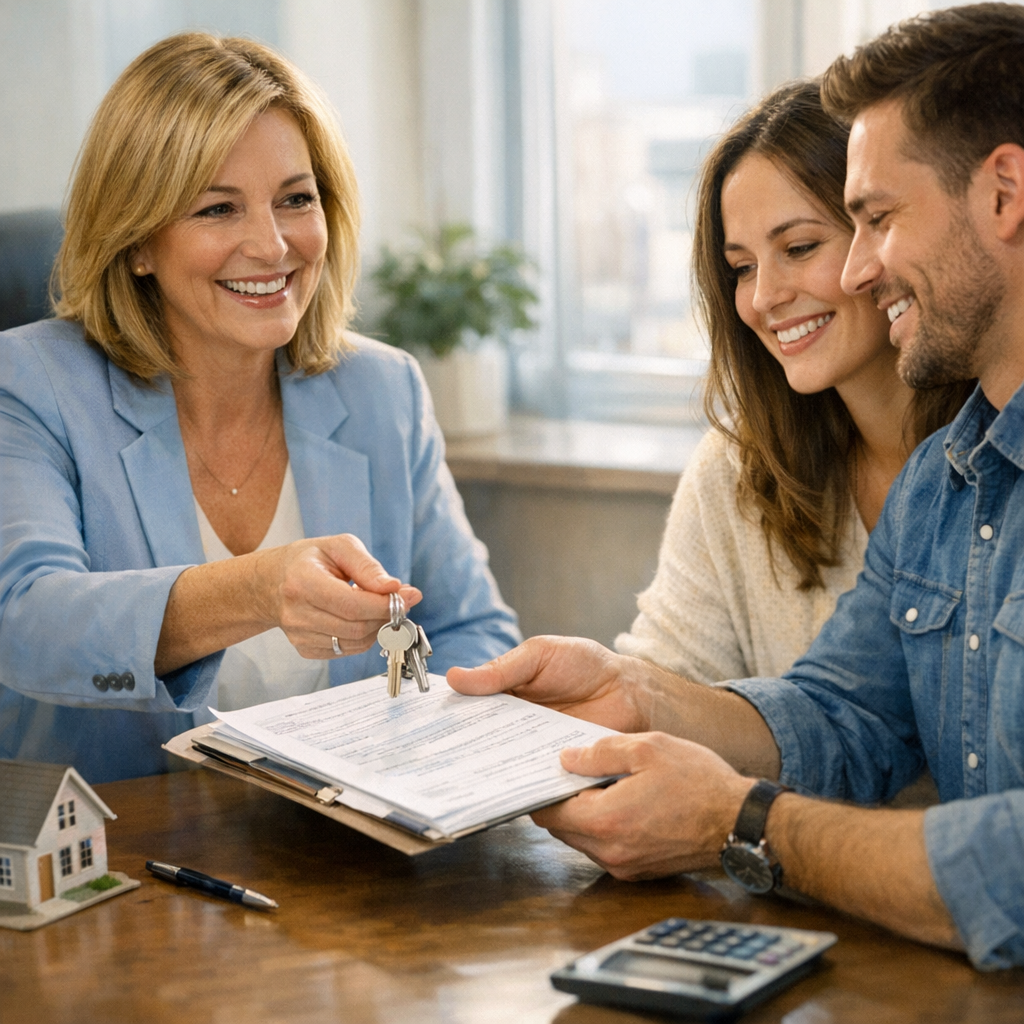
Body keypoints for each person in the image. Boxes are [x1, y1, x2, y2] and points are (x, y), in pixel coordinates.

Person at [450, 4, 1024, 970]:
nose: (859, 263)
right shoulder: (949, 480)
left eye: (876, 219)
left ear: (1005, 192)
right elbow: (843, 714)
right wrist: (633, 690)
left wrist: (741, 821)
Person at [0, 33, 520, 784]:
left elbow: (472, 627)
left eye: (295, 199)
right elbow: (26, 621)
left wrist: (426, 765)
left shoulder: (383, 389)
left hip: (343, 846)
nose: (272, 244)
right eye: (218, 208)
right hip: (129, 857)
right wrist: (255, 589)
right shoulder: (29, 384)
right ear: (138, 241)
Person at [616, 80, 970, 685]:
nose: (764, 297)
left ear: (882, 236)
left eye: (800, 247)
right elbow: (662, 683)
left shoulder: (994, 450)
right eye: (743, 268)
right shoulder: (738, 472)